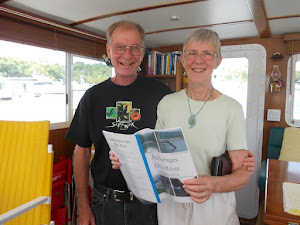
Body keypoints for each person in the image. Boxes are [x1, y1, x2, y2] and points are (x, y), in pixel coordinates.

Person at [110, 28, 255, 225]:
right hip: (171, 208)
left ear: (218, 61)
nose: (198, 60)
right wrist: (126, 159)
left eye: (207, 54)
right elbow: (154, 156)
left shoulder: (232, 108)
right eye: (192, 53)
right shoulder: (167, 103)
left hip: (213, 210)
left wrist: (213, 183)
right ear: (183, 59)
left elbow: (242, 174)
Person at [65, 20, 172, 225]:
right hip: (104, 202)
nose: (127, 55)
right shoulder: (92, 96)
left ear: (143, 52)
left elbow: (172, 143)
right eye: (120, 47)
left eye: (135, 48)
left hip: (150, 204)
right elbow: (82, 152)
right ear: (109, 49)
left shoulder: (161, 93)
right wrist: (83, 207)